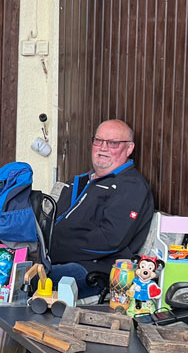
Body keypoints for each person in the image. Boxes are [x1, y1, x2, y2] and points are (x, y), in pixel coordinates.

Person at [45, 119, 156, 292]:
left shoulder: (131, 187)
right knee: (6, 263)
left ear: (129, 149)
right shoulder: (77, 182)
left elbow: (109, 239)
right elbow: (51, 222)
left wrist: (52, 251)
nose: (103, 148)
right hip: (53, 258)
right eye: (98, 140)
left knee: (27, 277)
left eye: (113, 143)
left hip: (94, 269)